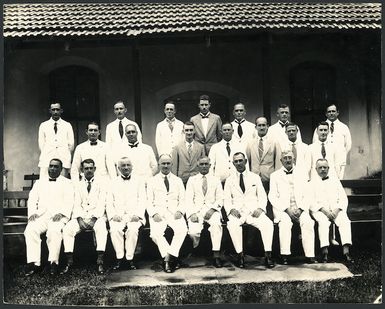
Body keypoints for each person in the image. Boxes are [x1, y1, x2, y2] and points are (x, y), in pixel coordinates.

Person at [224, 152, 275, 269]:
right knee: (232, 225)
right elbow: (226, 199)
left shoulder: (255, 177)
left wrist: (260, 208)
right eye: (236, 161)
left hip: (253, 212)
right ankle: (240, 255)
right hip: (237, 212)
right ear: (233, 164)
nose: (238, 163)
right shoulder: (229, 180)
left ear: (245, 161)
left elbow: (262, 196)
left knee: (267, 224)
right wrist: (231, 209)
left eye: (240, 160)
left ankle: (268, 255)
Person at [24, 159, 74, 276]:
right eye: (51, 166)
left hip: (58, 216)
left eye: (56, 167)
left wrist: (61, 213)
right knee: (30, 230)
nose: (52, 169)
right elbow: (32, 199)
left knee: (54, 231)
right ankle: (35, 263)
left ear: (61, 169)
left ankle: (53, 263)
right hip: (42, 215)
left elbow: (69, 200)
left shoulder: (67, 183)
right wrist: (33, 213)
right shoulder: (39, 183)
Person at [268, 150, 316, 265]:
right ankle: (285, 255)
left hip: (300, 208)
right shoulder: (275, 176)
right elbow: (272, 196)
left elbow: (308, 193)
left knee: (308, 222)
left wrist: (300, 209)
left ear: (294, 159)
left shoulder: (302, 173)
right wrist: (286, 209)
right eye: (285, 158)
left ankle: (310, 255)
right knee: (285, 223)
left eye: (290, 157)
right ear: (281, 161)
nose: (288, 160)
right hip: (283, 209)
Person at [62, 159, 108, 275]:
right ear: (82, 170)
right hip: (81, 216)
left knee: (102, 228)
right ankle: (69, 261)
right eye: (86, 168)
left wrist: (94, 218)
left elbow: (102, 203)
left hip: (97, 216)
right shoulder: (77, 185)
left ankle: (100, 261)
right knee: (68, 229)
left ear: (95, 169)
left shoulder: (102, 184)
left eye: (91, 168)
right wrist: (79, 219)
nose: (88, 170)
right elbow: (76, 204)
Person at [147, 154, 187, 273]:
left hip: (174, 212)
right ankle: (171, 258)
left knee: (182, 230)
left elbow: (183, 199)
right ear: (159, 165)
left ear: (172, 165)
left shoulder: (178, 180)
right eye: (163, 163)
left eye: (168, 163)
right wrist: (154, 214)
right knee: (156, 233)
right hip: (158, 213)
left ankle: (167, 258)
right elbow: (148, 200)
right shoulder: (152, 181)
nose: (165, 166)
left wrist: (180, 211)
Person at [107, 157, 147, 271]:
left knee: (133, 230)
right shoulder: (112, 182)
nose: (126, 168)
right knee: (115, 230)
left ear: (132, 167)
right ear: (118, 168)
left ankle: (130, 259)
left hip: (134, 215)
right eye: (123, 166)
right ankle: (119, 258)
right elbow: (109, 201)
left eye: (128, 165)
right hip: (118, 216)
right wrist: (113, 215)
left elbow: (142, 199)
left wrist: (138, 215)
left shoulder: (139, 181)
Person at [309, 159, 353, 263]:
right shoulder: (311, 183)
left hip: (335, 210)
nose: (323, 169)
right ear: (316, 169)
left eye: (325, 167)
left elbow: (343, 198)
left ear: (328, 168)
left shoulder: (335, 181)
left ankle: (346, 251)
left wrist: (337, 210)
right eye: (320, 167)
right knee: (323, 223)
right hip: (320, 211)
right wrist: (324, 211)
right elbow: (310, 201)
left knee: (345, 221)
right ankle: (325, 252)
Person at [185, 157, 224, 268]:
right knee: (193, 232)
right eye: (201, 164)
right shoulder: (192, 180)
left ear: (210, 165)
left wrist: (212, 210)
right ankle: (196, 247)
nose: (204, 166)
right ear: (198, 166)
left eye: (206, 164)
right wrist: (192, 213)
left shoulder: (216, 179)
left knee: (216, 225)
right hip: (196, 210)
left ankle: (216, 255)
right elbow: (188, 199)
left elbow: (220, 198)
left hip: (212, 210)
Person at [312, 104, 352, 178]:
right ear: (326, 114)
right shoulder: (320, 127)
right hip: (323, 161)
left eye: (333, 111)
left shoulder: (344, 127)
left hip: (339, 161)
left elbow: (348, 145)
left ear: (337, 112)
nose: (331, 113)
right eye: (329, 111)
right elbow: (315, 143)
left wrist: (341, 155)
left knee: (338, 181)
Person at [38, 103, 74, 178]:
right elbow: (41, 144)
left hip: (63, 158)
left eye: (57, 109)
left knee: (63, 183)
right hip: (47, 159)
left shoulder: (67, 125)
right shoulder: (44, 125)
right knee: (45, 183)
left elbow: (71, 144)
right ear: (50, 111)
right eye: (53, 110)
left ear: (61, 111)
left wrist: (63, 153)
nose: (55, 112)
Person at [246, 117, 281, 187]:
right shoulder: (250, 143)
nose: (261, 128)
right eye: (259, 125)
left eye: (263, 125)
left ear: (267, 126)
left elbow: (278, 162)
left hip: (269, 179)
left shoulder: (274, 142)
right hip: (254, 179)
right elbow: (247, 161)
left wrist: (276, 178)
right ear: (255, 127)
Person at [171, 121, 205, 186]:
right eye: (187, 130)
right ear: (183, 131)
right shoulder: (177, 147)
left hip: (196, 179)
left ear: (194, 131)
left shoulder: (201, 147)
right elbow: (174, 167)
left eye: (191, 130)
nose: (189, 132)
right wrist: (175, 182)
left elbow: (203, 165)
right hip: (182, 179)